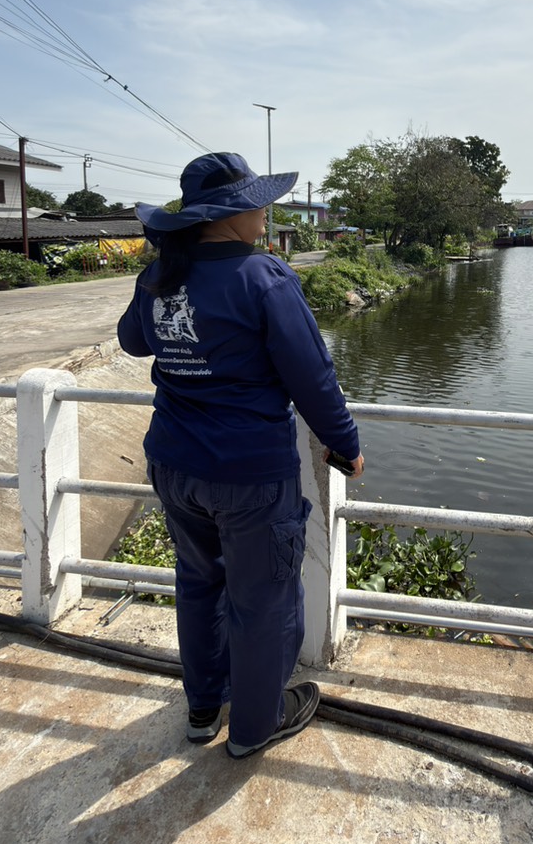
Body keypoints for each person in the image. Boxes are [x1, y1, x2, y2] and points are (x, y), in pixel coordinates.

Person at [117, 151, 363, 758]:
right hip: (249, 473)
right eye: (259, 202)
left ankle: (204, 707)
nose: (266, 212)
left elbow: (132, 341)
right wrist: (345, 445)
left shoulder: (162, 273)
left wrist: (161, 278)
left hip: (175, 464)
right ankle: (255, 727)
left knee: (199, 584)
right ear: (231, 214)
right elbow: (312, 376)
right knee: (265, 601)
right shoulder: (263, 277)